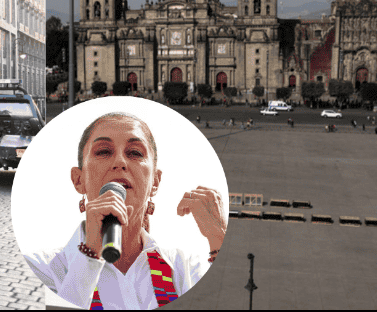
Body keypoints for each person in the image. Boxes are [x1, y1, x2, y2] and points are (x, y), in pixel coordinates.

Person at [24, 112, 226, 310]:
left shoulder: (183, 269)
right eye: (103, 151)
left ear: (155, 182)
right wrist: (90, 254)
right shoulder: (40, 268)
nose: (120, 162)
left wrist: (219, 238)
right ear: (78, 180)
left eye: (135, 153)